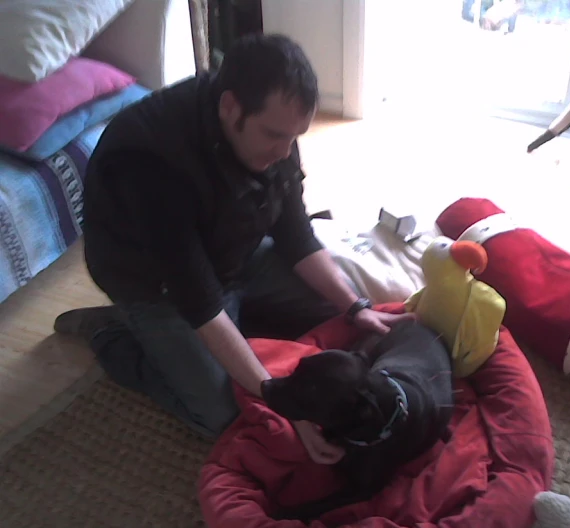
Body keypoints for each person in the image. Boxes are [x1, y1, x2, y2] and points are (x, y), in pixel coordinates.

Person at [53, 33, 412, 464]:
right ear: (230, 107)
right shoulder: (149, 164)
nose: (285, 152)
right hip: (155, 284)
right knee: (225, 413)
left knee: (334, 317)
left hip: (234, 254)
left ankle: (227, 330)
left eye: (294, 137)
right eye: (275, 136)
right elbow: (199, 301)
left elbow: (296, 235)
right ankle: (114, 333)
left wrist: (356, 307)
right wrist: (280, 403)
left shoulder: (274, 125)